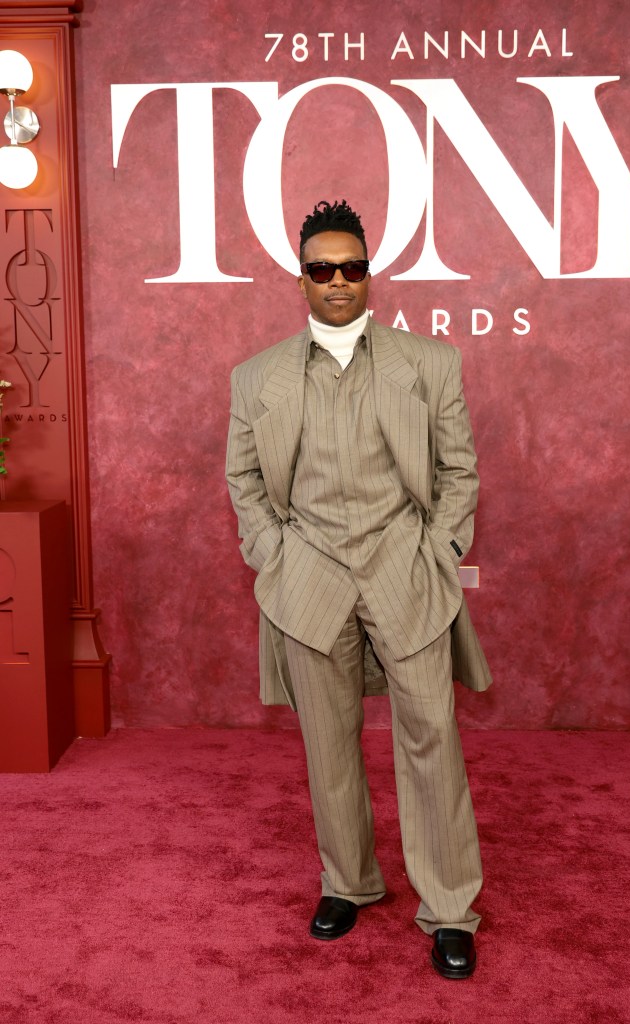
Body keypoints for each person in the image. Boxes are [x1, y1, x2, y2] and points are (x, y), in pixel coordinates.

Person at [226, 199, 492, 979]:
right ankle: (348, 882)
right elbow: (243, 479)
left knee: (431, 742)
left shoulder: (429, 363)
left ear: (369, 273)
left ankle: (448, 908)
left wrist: (437, 549)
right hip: (305, 574)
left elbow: (458, 472)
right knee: (327, 745)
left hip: (405, 571)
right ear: (300, 278)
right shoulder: (256, 378)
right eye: (321, 269)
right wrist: (271, 555)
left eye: (351, 267)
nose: (337, 282)